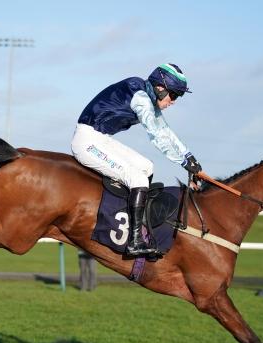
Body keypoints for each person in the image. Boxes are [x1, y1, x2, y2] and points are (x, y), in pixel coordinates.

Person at [71, 63, 202, 256]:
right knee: (138, 179)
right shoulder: (141, 98)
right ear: (160, 88)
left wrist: (189, 157)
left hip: (101, 138)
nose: (173, 101)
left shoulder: (147, 95)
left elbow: (165, 130)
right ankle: (134, 241)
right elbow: (157, 136)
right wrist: (183, 163)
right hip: (87, 141)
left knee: (146, 166)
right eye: (174, 95)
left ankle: (136, 224)